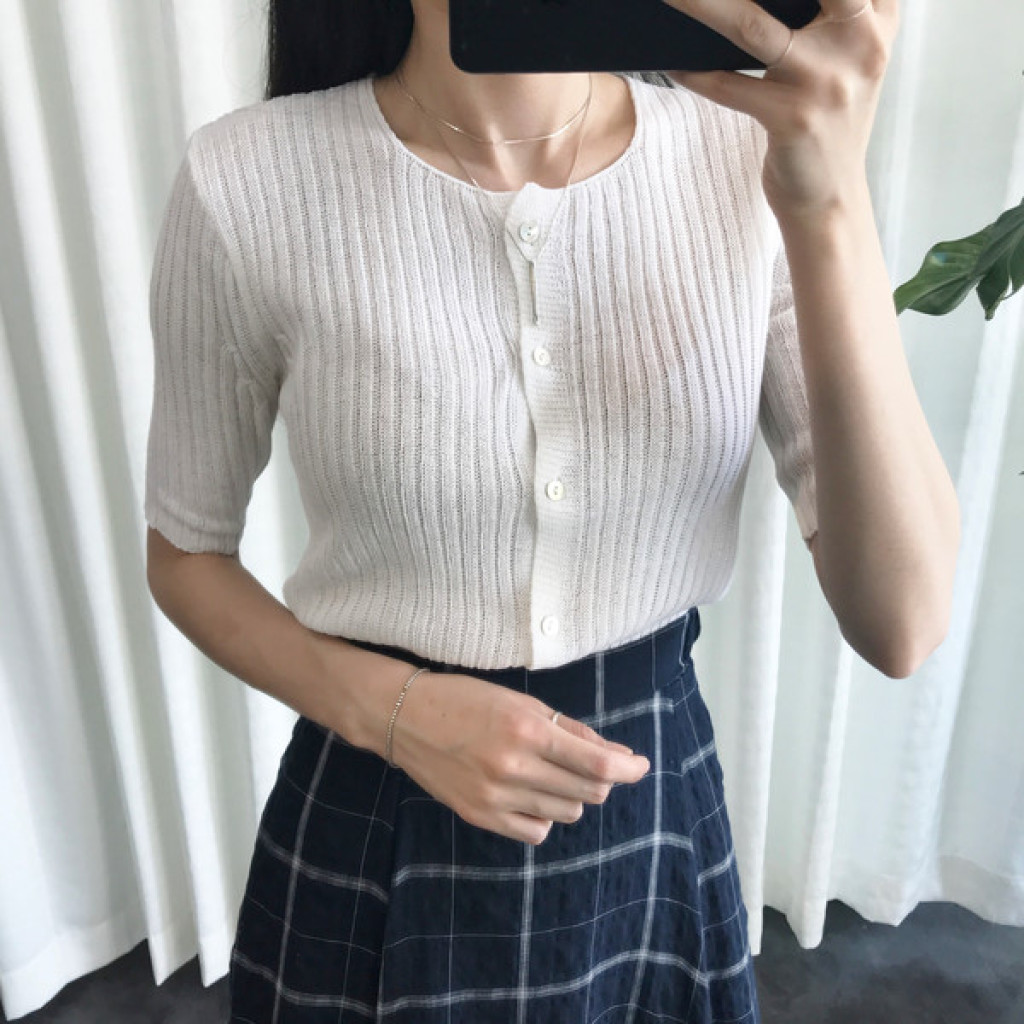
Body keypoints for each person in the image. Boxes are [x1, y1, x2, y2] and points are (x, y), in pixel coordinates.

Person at [144, 0, 958, 1020]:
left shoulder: (747, 157)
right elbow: (186, 553)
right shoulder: (248, 180)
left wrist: (829, 198)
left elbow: (903, 622)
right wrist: (398, 712)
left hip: (651, 829)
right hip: (376, 820)